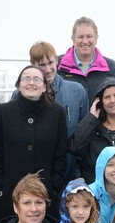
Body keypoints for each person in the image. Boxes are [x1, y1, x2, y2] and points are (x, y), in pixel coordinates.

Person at [0, 65, 68, 223]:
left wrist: (54, 186)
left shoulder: (57, 113)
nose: (31, 83)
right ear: (18, 85)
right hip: (9, 194)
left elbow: (60, 155)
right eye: (26, 78)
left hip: (45, 195)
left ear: (45, 87)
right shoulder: (2, 112)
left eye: (37, 79)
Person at [26, 41, 89, 181]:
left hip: (70, 172)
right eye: (41, 65)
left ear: (57, 61)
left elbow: (84, 133)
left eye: (50, 63)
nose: (48, 69)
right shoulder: (19, 95)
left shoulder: (77, 91)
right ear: (32, 65)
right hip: (34, 175)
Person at [56, 16, 115, 100]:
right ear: (73, 39)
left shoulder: (111, 68)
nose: (85, 41)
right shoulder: (57, 65)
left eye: (89, 36)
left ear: (96, 39)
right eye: (80, 37)